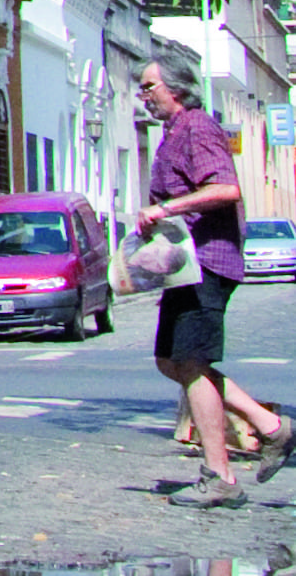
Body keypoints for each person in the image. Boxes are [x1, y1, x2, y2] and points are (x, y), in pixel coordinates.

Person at [141, 49, 295, 508]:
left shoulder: (198, 128)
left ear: (177, 87)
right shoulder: (173, 135)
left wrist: (166, 208)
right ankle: (271, 428)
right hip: (185, 268)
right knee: (171, 360)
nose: (143, 95)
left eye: (149, 86)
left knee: (190, 363)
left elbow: (226, 188)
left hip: (208, 263)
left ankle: (220, 477)